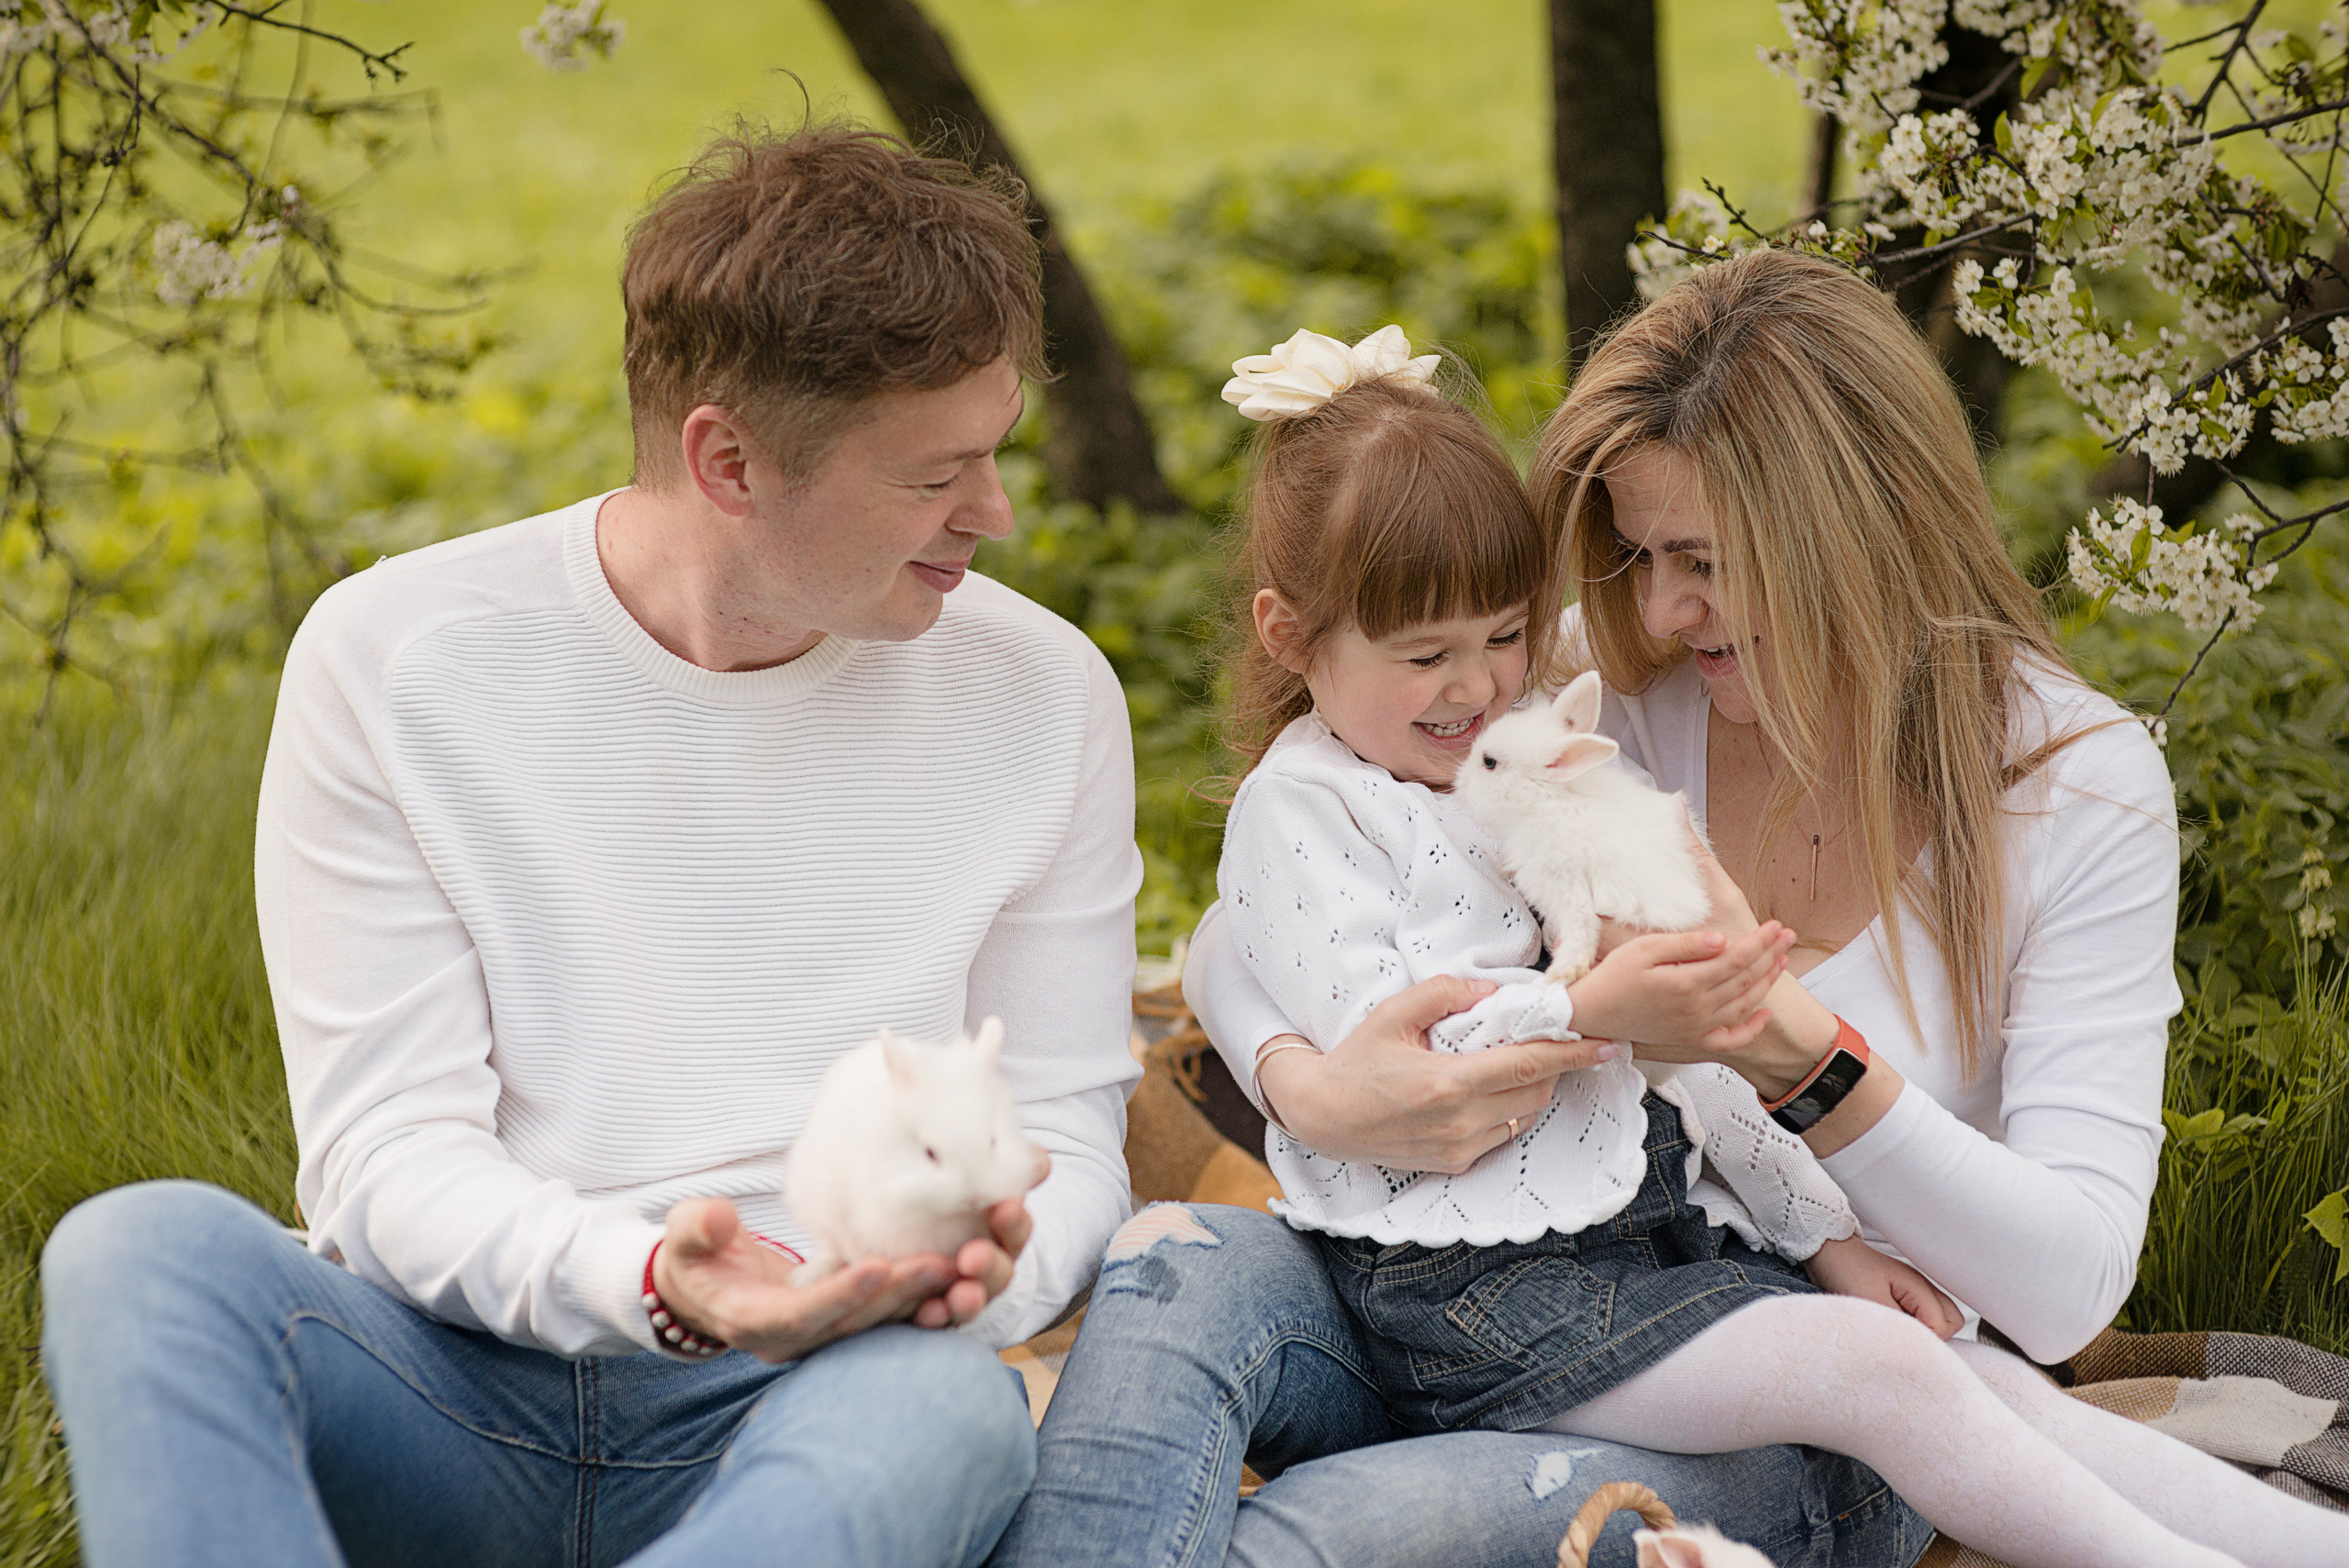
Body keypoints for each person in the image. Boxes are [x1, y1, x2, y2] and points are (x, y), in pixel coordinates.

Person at [993, 252, 2349, 1567]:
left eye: (1697, 557)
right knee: (1172, 1269)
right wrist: (1311, 1086)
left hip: (1770, 1360)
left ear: (1849, 533)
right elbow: (1269, 906)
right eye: (1638, 554)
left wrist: (1788, 1049)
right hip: (1467, 1277)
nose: (1656, 605)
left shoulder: (2071, 786)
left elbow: (2062, 1296)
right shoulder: (1610, 680)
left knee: (1345, 1533)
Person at [39, 122, 1143, 1568]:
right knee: (134, 1252)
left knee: (946, 1410)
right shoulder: (399, 658)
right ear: (729, 461)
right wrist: (656, 1279)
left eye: (992, 453)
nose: (992, 513)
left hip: (820, 1394)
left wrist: (942, 1282)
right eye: (936, 476)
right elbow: (386, 1153)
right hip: (454, 1384)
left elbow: (1066, 1133)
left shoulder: (1043, 695)